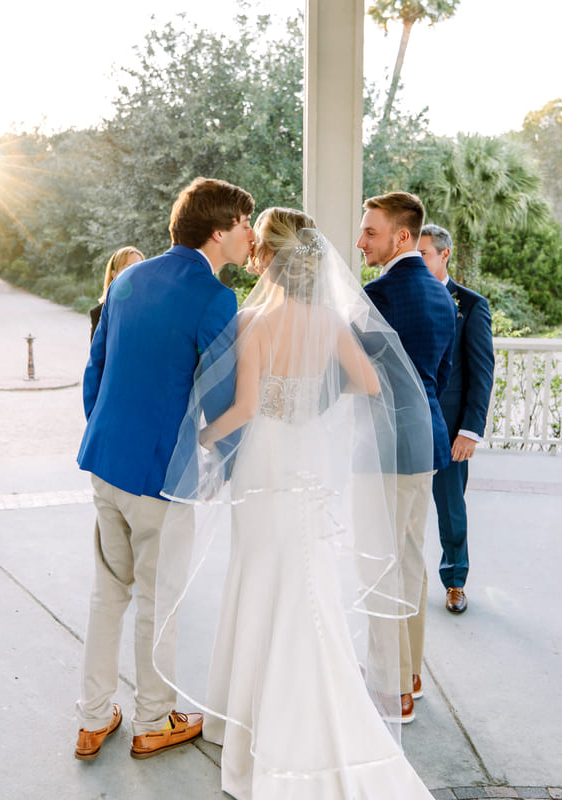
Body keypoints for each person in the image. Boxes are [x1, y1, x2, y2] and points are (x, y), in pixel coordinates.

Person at [155, 208, 435, 799]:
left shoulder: (255, 322)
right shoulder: (331, 321)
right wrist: (313, 406)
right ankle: (314, 700)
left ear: (270, 260)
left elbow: (245, 410)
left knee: (257, 575)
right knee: (306, 581)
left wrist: (201, 440)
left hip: (264, 464)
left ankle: (246, 713)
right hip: (304, 461)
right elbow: (371, 384)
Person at [73, 177, 254, 761]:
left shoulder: (128, 277)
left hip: (105, 461)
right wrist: (227, 461)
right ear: (220, 231)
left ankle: (92, 719)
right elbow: (223, 397)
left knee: (108, 595)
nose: (250, 235)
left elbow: (95, 369)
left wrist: (104, 434)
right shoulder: (214, 298)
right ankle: (154, 720)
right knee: (159, 600)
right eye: (245, 224)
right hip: (158, 476)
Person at [358, 192, 458, 723]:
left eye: (370, 232)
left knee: (381, 563)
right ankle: (411, 673)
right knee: (411, 560)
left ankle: (392, 687)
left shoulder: (377, 295)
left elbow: (358, 378)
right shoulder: (442, 296)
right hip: (426, 442)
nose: (360, 241)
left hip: (386, 445)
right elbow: (438, 380)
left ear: (402, 236)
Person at [418, 224, 495, 615]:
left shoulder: (471, 305)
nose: (418, 260)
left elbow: (481, 374)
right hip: (409, 422)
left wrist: (469, 431)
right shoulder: (404, 296)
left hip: (450, 429)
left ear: (444, 255)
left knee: (450, 507)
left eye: (425, 254)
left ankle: (455, 582)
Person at [89, 246, 145, 342]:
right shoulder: (99, 313)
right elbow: (98, 355)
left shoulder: (152, 309)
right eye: (129, 268)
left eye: (140, 267)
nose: (136, 273)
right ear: (114, 275)